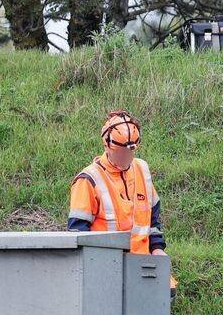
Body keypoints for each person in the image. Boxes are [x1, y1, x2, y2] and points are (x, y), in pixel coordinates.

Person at [68, 110, 176, 294]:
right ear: (107, 146)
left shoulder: (142, 169)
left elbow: (152, 218)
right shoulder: (88, 179)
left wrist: (157, 248)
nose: (126, 157)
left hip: (143, 261)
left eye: (130, 152)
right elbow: (77, 234)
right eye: (121, 152)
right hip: (108, 266)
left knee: (167, 291)